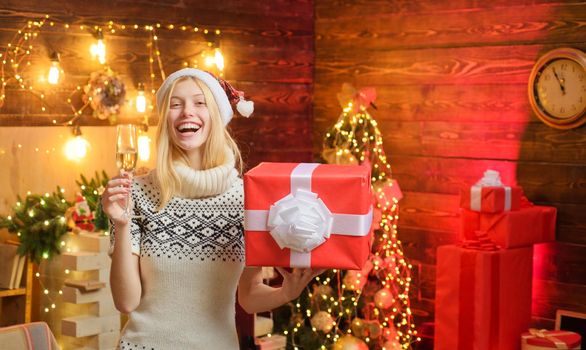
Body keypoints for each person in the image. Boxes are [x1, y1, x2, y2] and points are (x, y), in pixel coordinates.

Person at [102, 68, 323, 349]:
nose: (186, 113)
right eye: (175, 104)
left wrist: (286, 292)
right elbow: (126, 301)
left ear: (217, 115)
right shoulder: (139, 194)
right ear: (165, 119)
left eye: (199, 102)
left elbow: (250, 294)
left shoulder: (246, 200)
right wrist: (121, 225)